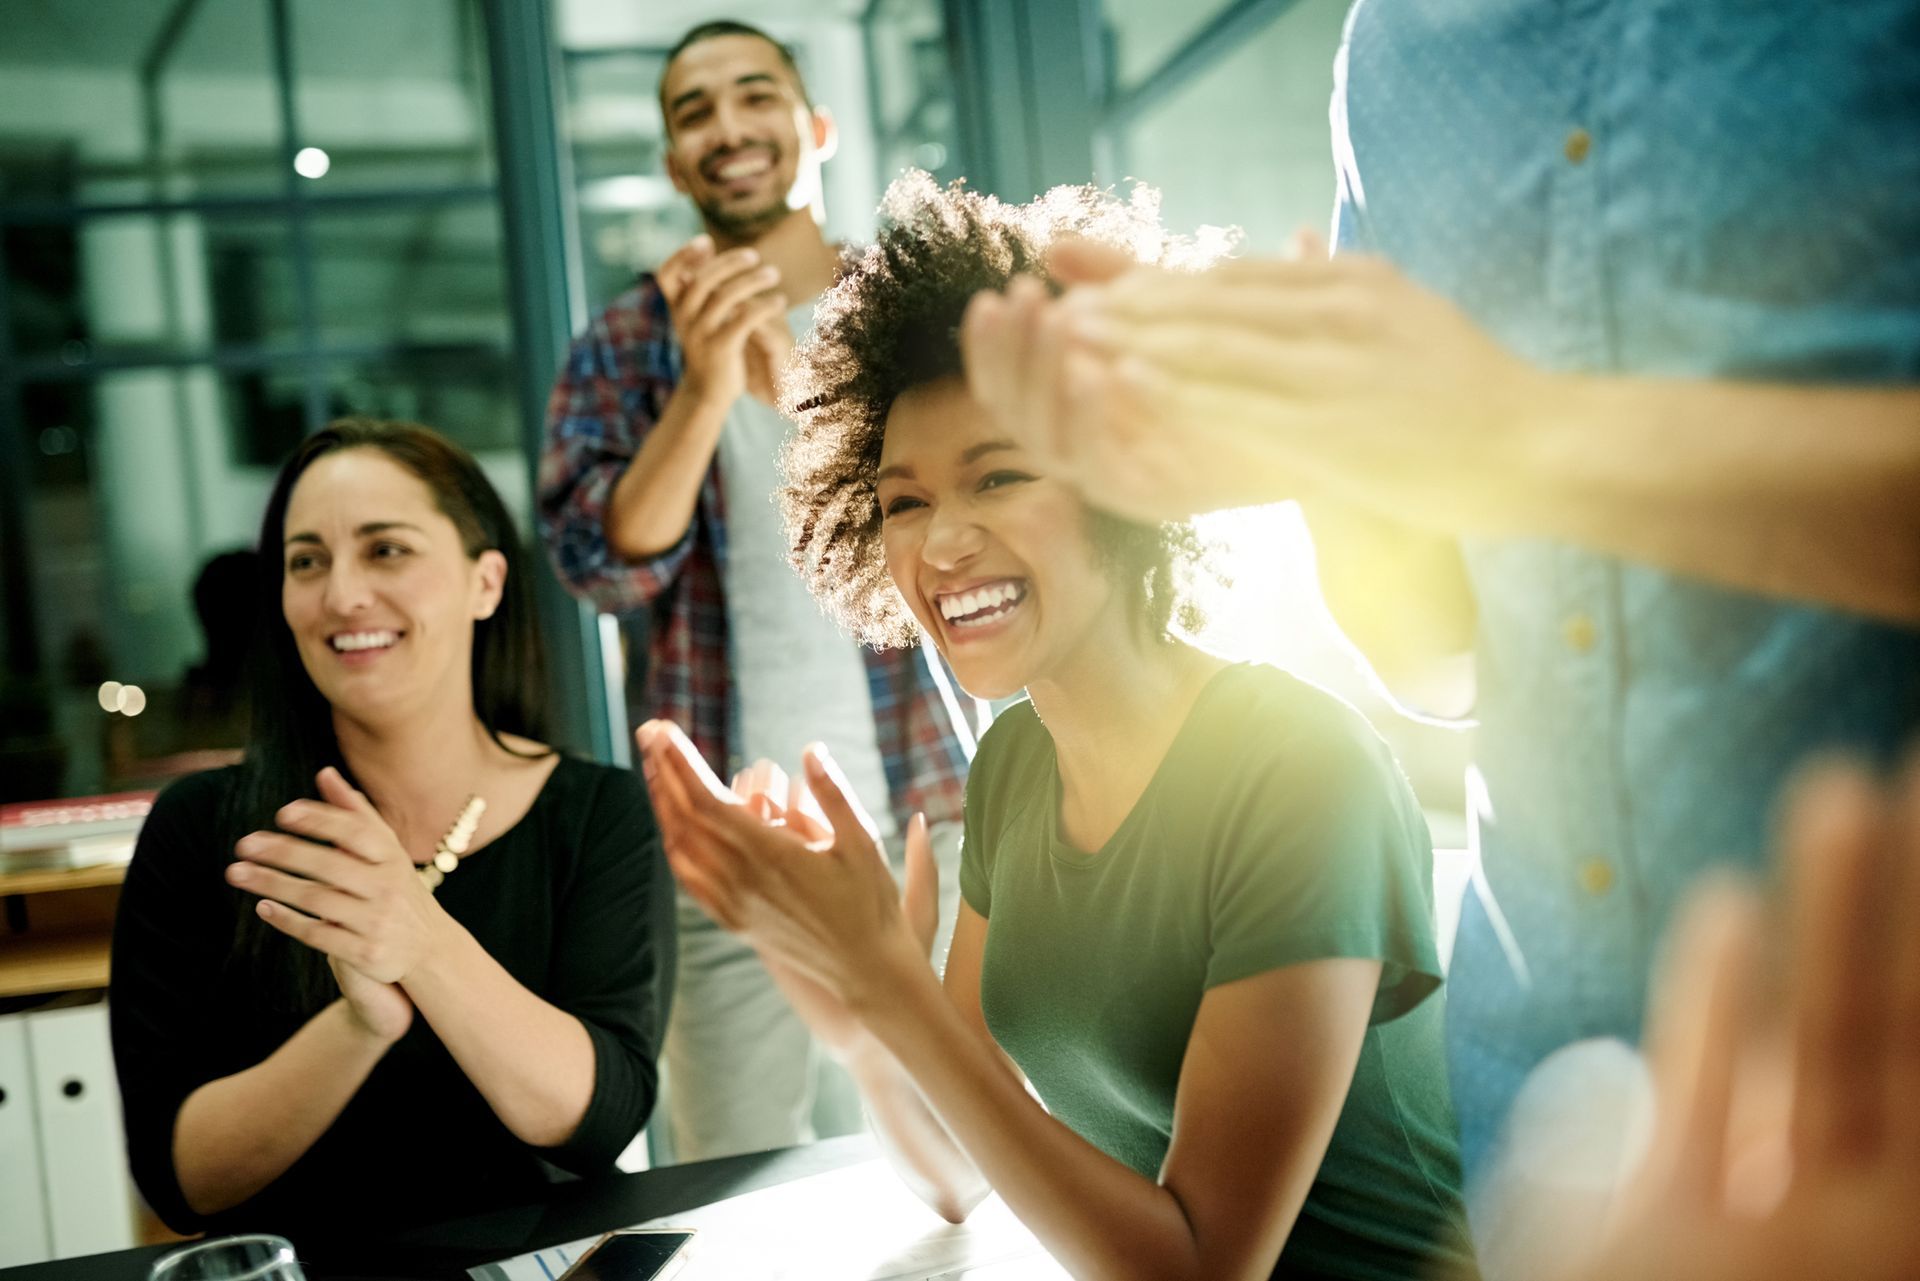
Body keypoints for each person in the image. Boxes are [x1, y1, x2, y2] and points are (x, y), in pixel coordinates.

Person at [956, 0, 1920, 1203]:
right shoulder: (1397, 53)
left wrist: (1526, 442)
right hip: (1544, 1130)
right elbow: (1442, 663)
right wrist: (1312, 451)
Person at [637, 174, 1477, 1281]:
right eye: (904, 501)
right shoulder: (1015, 768)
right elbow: (954, 1170)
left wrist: (893, 983)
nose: (941, 544)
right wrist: (856, 1014)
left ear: (1120, 479)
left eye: (997, 477)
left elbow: (1202, 1268)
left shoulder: (1301, 773)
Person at [538, 21, 972, 1162]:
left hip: (932, 810)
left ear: (813, 126)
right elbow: (601, 564)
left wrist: (790, 377)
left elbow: (967, 519)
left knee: (966, 1146)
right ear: (674, 163)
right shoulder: (624, 342)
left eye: (754, 96)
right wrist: (702, 387)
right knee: (734, 1167)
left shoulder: (906, 305)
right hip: (727, 842)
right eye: (695, 112)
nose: (728, 127)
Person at [110, 419, 674, 1239]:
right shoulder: (201, 829)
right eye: (308, 561)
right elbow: (182, 1182)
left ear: (485, 583)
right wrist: (360, 1024)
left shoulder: (598, 813)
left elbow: (599, 1122)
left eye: (386, 550)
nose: (342, 594)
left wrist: (421, 941)